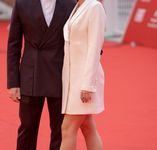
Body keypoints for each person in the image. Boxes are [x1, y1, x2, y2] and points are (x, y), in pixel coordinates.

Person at [7, 0, 76, 150]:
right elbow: (13, 45)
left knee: (60, 131)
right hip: (31, 76)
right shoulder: (22, 4)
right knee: (27, 128)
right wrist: (13, 83)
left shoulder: (70, 4)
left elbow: (77, 40)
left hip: (60, 76)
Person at [60, 0, 106, 150]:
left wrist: (87, 84)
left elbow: (94, 47)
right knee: (88, 128)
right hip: (72, 80)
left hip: (84, 81)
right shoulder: (77, 6)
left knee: (67, 129)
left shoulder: (94, 6)